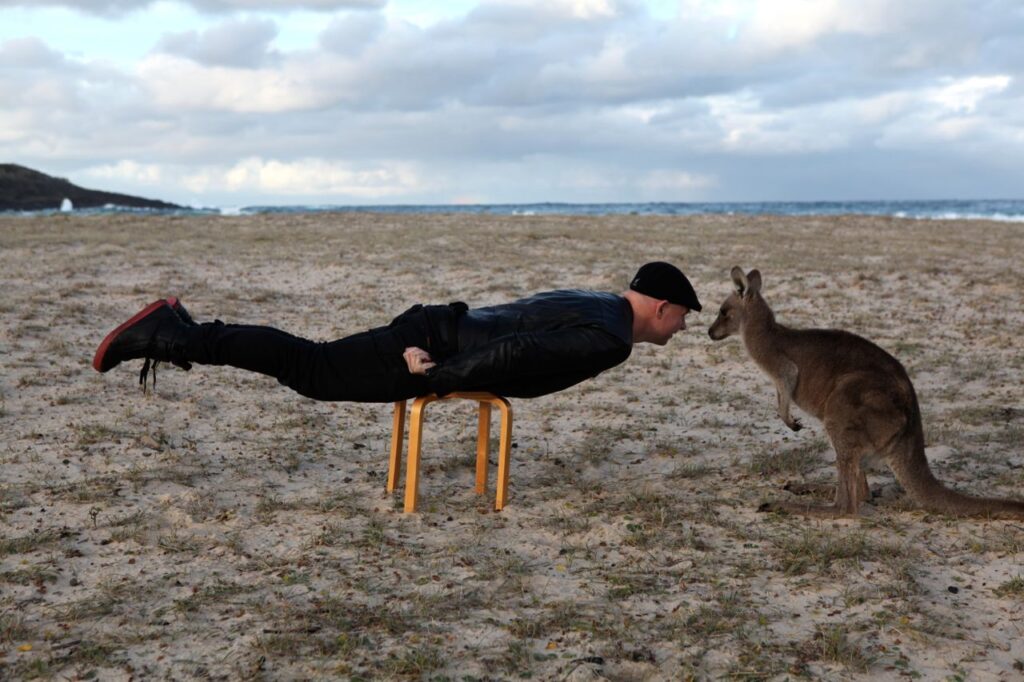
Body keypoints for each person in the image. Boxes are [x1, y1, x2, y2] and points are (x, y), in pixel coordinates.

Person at [93, 262, 701, 401]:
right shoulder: (614, 337)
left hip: (438, 326)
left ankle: (181, 334)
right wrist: (439, 377)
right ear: (665, 306)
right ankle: (174, 334)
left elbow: (516, 318)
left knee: (313, 365)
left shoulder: (598, 300)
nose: (678, 332)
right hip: (433, 347)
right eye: (682, 320)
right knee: (311, 369)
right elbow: (518, 350)